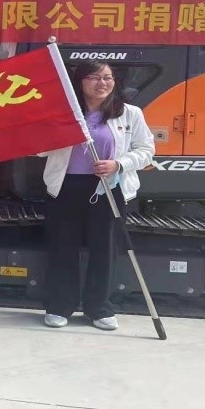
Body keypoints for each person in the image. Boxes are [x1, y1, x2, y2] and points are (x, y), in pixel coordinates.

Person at [40, 60, 155, 331]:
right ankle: (59, 306)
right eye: (94, 77)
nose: (102, 83)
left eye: (107, 78)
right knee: (63, 248)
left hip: (108, 189)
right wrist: (56, 133)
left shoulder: (129, 114)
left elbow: (146, 150)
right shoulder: (65, 113)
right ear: (80, 82)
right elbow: (40, 150)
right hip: (66, 188)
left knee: (104, 250)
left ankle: (99, 308)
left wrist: (119, 164)